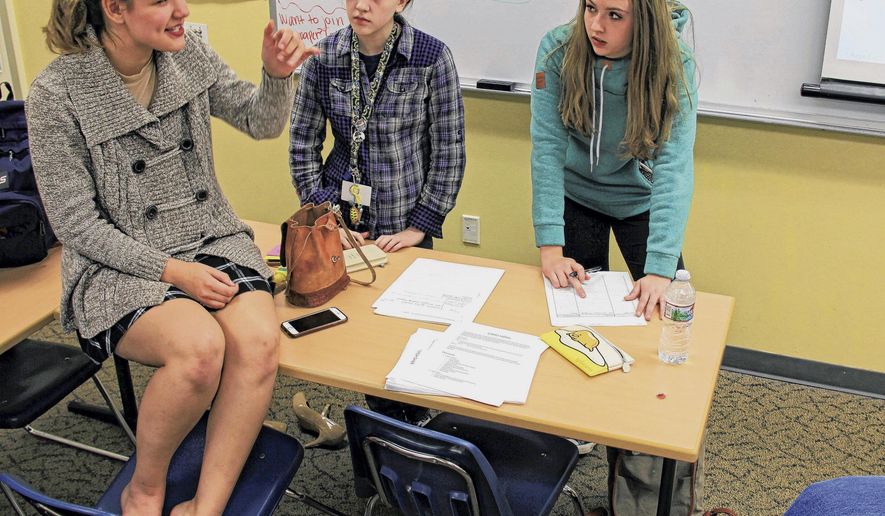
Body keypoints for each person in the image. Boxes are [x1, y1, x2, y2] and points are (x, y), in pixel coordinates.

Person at [27, 1, 317, 514]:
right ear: (115, 9)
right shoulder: (58, 92)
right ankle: (146, 484)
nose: (182, 9)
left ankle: (205, 507)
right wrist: (174, 272)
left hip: (209, 237)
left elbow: (260, 122)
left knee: (257, 342)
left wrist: (275, 76)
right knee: (200, 349)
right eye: (162, 1)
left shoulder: (188, 55)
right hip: (114, 262)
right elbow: (76, 226)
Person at [531, 0, 702, 514]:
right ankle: (580, 430)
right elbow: (545, 146)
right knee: (577, 328)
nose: (595, 25)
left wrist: (656, 268)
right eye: (590, 8)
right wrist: (549, 245)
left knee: (658, 326)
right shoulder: (558, 50)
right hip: (575, 195)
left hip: (641, 199)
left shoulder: (677, 64)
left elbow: (674, 167)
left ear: (643, 20)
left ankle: (646, 455)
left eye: (614, 15)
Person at [289, 0, 465, 424]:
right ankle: (378, 432)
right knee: (354, 336)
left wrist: (421, 225)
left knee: (409, 336)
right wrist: (325, 219)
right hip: (341, 224)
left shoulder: (431, 57)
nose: (361, 5)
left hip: (405, 222)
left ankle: (414, 429)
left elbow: (450, 151)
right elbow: (302, 145)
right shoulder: (324, 58)